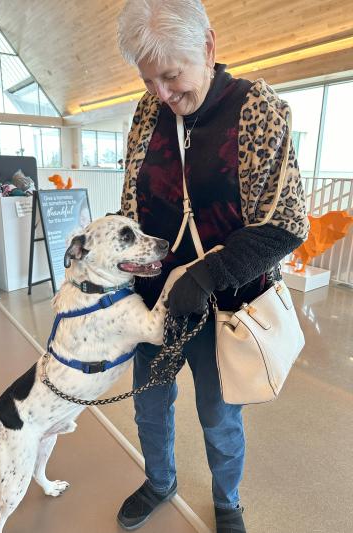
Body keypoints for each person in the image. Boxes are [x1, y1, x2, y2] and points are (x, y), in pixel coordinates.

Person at [116, 1, 309, 532]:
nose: (162, 95)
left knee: (220, 418)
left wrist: (204, 276)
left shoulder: (256, 108)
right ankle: (160, 480)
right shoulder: (145, 113)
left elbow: (288, 223)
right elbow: (133, 207)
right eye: (149, 80)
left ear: (208, 46)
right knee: (149, 409)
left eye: (172, 76)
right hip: (154, 306)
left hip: (223, 306)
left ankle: (227, 500)